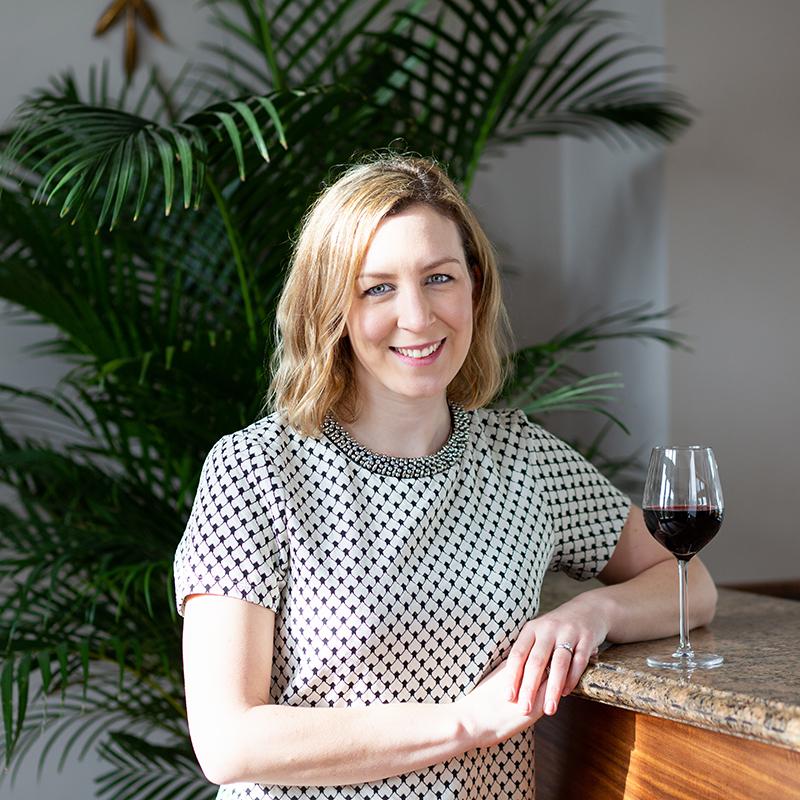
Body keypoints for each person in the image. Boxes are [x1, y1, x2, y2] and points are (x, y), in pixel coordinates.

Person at [172, 153, 718, 799]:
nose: (418, 316)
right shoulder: (256, 470)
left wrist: (591, 613)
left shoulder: (524, 459)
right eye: (377, 287)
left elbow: (688, 583)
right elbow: (229, 743)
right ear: (331, 308)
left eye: (439, 278)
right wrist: (463, 721)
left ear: (475, 288)